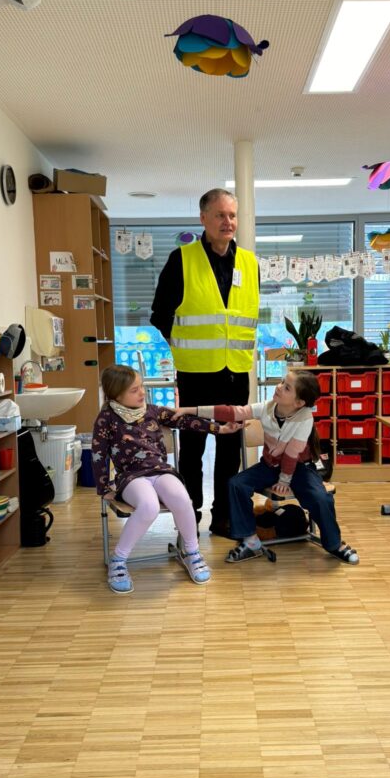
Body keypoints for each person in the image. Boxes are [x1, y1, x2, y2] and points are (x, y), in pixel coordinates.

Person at [150, 188, 259, 538]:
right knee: (193, 449)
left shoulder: (250, 263)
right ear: (203, 218)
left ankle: (224, 516)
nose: (228, 222)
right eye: (220, 215)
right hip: (196, 373)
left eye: (232, 215)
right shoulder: (181, 259)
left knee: (229, 450)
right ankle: (190, 517)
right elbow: (160, 314)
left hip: (235, 372)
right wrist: (182, 347)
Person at [173, 370, 358, 565]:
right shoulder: (267, 408)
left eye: (286, 387)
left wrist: (284, 480)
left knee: (320, 497)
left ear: (299, 402)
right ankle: (250, 541)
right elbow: (231, 412)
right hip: (270, 466)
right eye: (282, 382)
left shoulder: (305, 418)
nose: (279, 387)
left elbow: (292, 453)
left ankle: (334, 544)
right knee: (236, 484)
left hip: (300, 468)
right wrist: (190, 410)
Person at [91, 364, 242, 595]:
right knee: (149, 506)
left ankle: (192, 552)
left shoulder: (152, 410)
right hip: (131, 477)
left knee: (183, 499)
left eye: (141, 386)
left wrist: (219, 429)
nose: (142, 393)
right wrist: (103, 487)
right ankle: (118, 560)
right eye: (134, 390)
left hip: (161, 471)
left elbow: (185, 421)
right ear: (116, 395)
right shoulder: (106, 418)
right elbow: (98, 453)